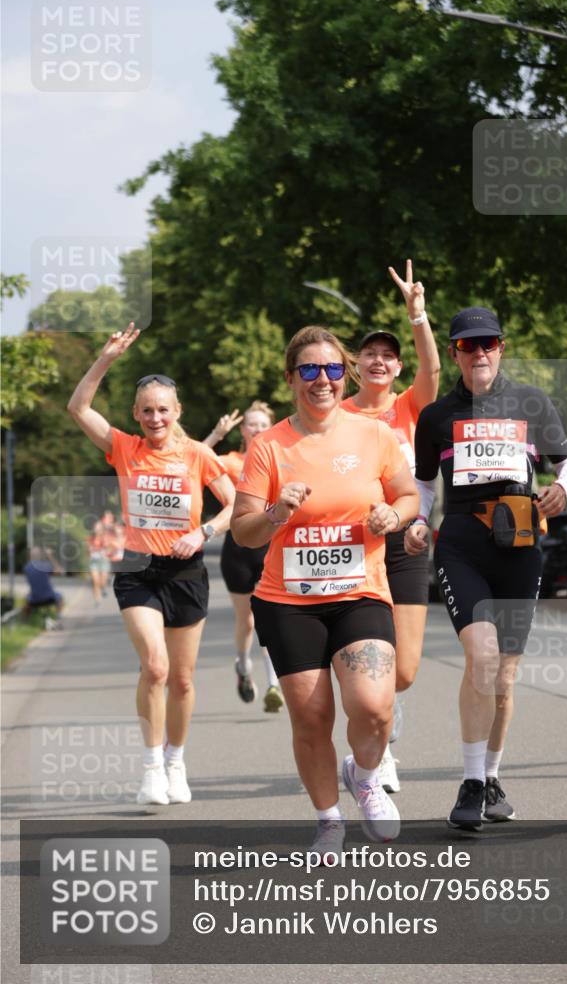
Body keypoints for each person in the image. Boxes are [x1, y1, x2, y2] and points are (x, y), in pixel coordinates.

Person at [231, 326, 418, 856]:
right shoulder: (269, 446)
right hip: (289, 603)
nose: (322, 379)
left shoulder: (374, 435)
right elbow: (243, 531)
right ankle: (329, 820)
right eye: (309, 369)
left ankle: (364, 776)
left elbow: (407, 496)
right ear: (291, 378)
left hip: (360, 591)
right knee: (312, 718)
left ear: (345, 375)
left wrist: (393, 516)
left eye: (333, 368)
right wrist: (275, 513)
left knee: (374, 707)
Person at [406, 306, 567, 830]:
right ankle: (471, 782)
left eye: (488, 343)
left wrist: (560, 488)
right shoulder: (436, 417)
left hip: (519, 544)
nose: (478, 353)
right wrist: (417, 520)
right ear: (455, 352)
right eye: (467, 345)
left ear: (501, 347)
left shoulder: (531, 401)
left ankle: (492, 775)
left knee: (504, 676)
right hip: (461, 544)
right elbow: (423, 483)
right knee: (481, 657)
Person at [67, 322, 235, 807]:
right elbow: (78, 408)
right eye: (146, 410)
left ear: (177, 412)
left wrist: (202, 532)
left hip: (186, 573)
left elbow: (235, 506)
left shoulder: (197, 455)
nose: (155, 417)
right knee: (155, 667)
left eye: (163, 409)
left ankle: (176, 761)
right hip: (138, 569)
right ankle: (151, 768)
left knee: (181, 679)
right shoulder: (125, 448)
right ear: (136, 415)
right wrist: (105, 359)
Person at [341, 260, 440, 792]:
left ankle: (386, 716)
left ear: (398, 368)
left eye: (388, 355)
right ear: (356, 366)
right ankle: (376, 754)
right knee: (369, 664)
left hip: (406, 540)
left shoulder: (409, 407)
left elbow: (434, 371)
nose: (378, 361)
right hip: (357, 546)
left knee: (404, 670)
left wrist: (417, 315)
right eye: (370, 354)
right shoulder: (339, 416)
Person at [203, 401, 284, 712]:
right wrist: (216, 434)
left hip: (269, 548)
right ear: (243, 430)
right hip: (237, 550)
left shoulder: (278, 459)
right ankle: (242, 664)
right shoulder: (231, 461)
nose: (258, 429)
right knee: (246, 621)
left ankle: (274, 683)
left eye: (263, 424)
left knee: (267, 618)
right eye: (252, 424)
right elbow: (192, 460)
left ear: (271, 427)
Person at [24, 547, 64, 628]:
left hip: (34, 599)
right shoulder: (45, 565)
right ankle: (58, 618)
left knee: (26, 604)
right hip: (50, 597)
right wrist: (50, 556)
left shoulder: (26, 568)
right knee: (60, 597)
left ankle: (25, 623)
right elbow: (60, 571)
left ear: (30, 556)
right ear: (40, 556)